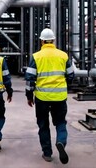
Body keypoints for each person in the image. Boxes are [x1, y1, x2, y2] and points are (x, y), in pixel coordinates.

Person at [25, 28, 75, 164]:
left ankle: (47, 153)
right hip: (59, 96)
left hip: (42, 97)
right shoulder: (63, 56)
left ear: (41, 41)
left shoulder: (36, 56)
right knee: (60, 122)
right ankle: (60, 142)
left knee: (43, 124)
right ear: (53, 40)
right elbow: (71, 75)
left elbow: (30, 78)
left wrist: (29, 96)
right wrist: (63, 84)